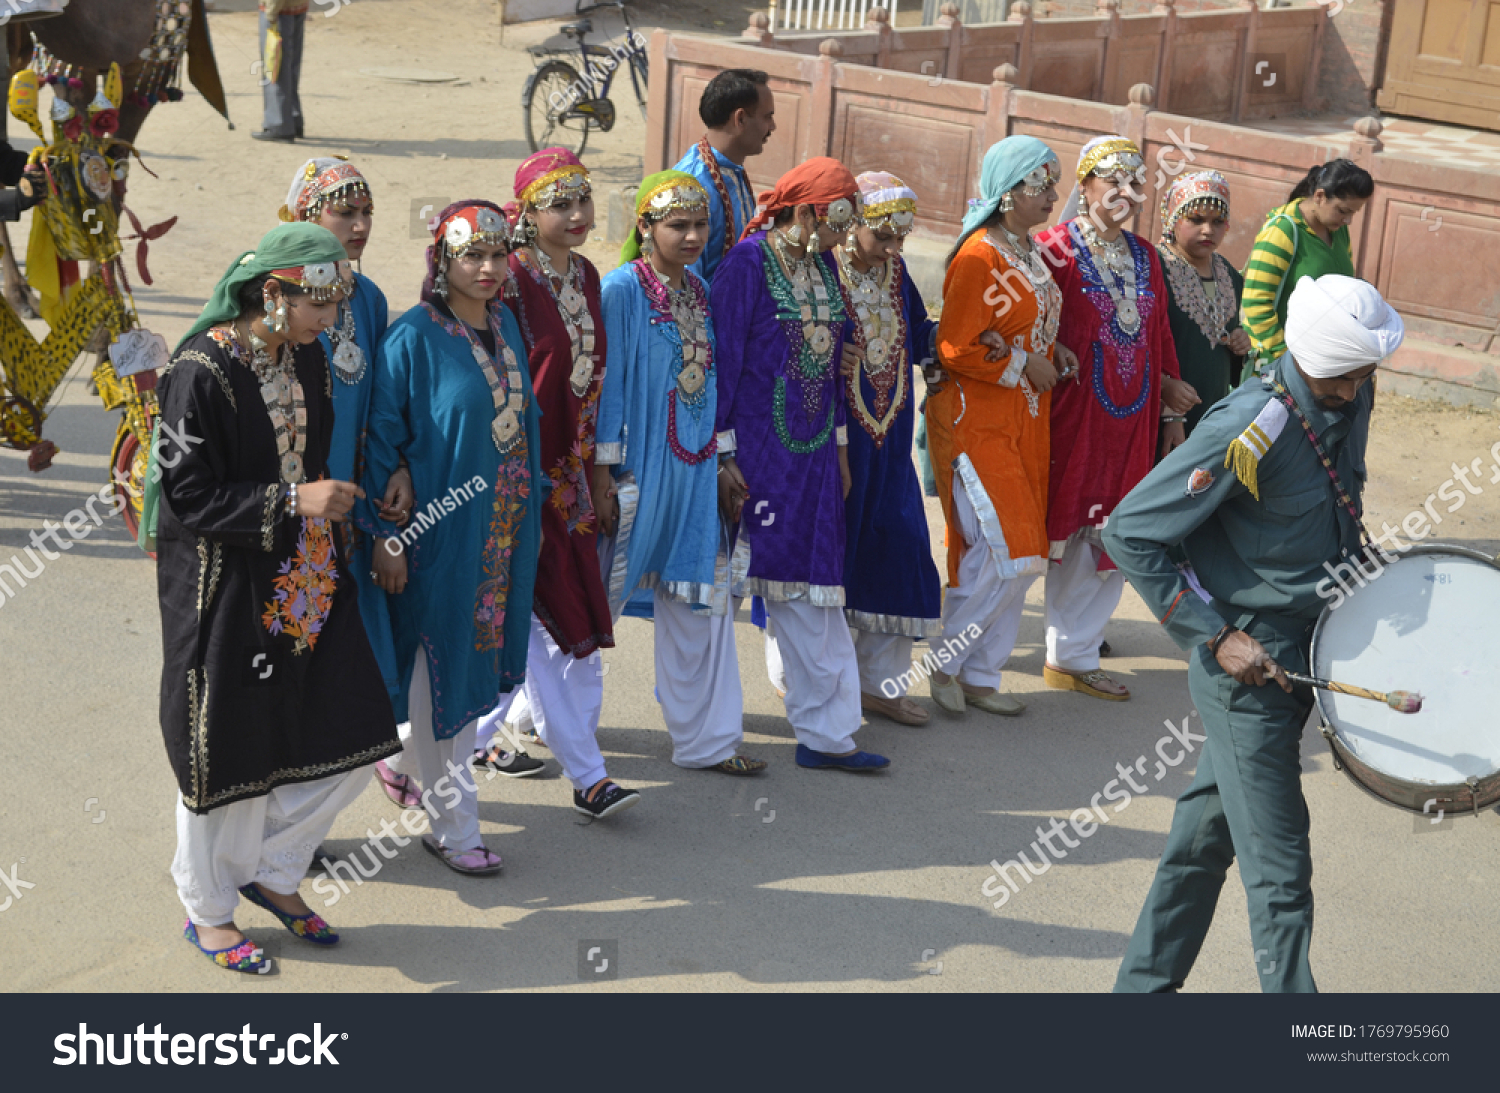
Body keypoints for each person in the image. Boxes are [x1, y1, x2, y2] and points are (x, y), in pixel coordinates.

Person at [1105, 274, 1404, 992]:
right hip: (1249, 667)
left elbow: (1338, 495)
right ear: (1318, 363)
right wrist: (1212, 635)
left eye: (1369, 370)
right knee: (1280, 869)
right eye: (1352, 373)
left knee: (1202, 843)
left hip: (1312, 646)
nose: (1364, 383)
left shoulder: (1351, 394)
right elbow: (1129, 531)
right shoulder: (1246, 425)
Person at [156, 222, 400, 974]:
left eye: (333, 305)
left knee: (353, 732)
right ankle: (209, 910)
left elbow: (315, 452)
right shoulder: (198, 373)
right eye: (318, 305)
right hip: (222, 584)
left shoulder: (310, 358)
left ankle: (274, 868)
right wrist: (296, 500)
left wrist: (324, 515)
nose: (329, 320)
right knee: (227, 750)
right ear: (273, 293)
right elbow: (187, 493)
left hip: (306, 572)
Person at [359, 202, 544, 875]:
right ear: (443, 258)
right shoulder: (410, 338)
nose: (489, 268)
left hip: (501, 537)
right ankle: (454, 827)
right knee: (443, 683)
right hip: (440, 537)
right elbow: (382, 440)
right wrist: (389, 536)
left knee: (462, 675)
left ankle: (402, 759)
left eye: (499, 254)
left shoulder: (506, 328)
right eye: (473, 255)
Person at [714, 156, 889, 773]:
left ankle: (828, 735)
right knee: (709, 595)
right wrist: (723, 455)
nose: (848, 236)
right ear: (815, 212)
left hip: (812, 454)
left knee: (816, 589)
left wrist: (841, 449)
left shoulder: (821, 267)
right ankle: (533, 715)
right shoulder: (747, 264)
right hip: (756, 453)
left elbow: (837, 364)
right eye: (842, 219)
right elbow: (724, 365)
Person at [594, 171, 766, 775]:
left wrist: (722, 459)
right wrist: (606, 475)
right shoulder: (620, 291)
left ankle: (708, 742)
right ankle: (534, 720)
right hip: (639, 472)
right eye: (678, 225)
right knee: (592, 603)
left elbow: (712, 382)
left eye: (700, 225)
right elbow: (607, 389)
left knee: (700, 603)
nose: (693, 236)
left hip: (694, 471)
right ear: (645, 228)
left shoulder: (698, 288)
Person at [497, 147, 640, 818]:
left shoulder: (585, 275)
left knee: (570, 614)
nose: (579, 214)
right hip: (513, 476)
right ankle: (587, 772)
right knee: (519, 621)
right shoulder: (506, 281)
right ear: (526, 213)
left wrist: (601, 470)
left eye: (583, 200)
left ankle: (587, 771)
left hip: (572, 478)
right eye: (561, 203)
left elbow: (598, 381)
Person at [1035, 134, 1197, 701]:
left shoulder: (1147, 256)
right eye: (1113, 181)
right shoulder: (1054, 248)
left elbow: (1158, 335)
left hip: (1132, 419)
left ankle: (1073, 655)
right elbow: (1028, 325)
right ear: (1085, 187)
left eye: (1136, 181)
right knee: (1050, 530)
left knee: (1111, 536)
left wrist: (1171, 409)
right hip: (1069, 416)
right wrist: (1050, 350)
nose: (1125, 192)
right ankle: (982, 660)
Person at [925, 137, 1077, 717]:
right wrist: (1022, 363)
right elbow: (955, 345)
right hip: (975, 419)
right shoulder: (978, 258)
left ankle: (981, 674)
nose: (1050, 196)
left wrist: (1051, 349)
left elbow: (1017, 323)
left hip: (1025, 420)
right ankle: (944, 660)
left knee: (1023, 552)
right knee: (1004, 549)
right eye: (1039, 185)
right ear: (1007, 191)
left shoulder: (1029, 252)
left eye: (1051, 185)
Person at [278, 157, 406, 717]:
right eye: (344, 212)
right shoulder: (276, 295)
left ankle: (381, 755)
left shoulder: (371, 300)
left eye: (366, 213)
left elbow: (381, 407)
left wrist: (394, 474)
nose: (359, 226)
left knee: (364, 645)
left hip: (351, 501)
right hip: (292, 500)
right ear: (307, 214)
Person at [834, 171, 942, 725]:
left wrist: (954, 346)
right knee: (831, 555)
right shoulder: (824, 272)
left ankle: (877, 685)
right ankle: (809, 682)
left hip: (891, 435)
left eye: (902, 238)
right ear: (852, 224)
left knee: (897, 546)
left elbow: (921, 332)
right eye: (884, 237)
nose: (895, 249)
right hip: (838, 441)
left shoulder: (896, 273)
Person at [1241, 158, 1372, 381]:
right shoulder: (1282, 231)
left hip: (1320, 366)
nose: (1348, 220)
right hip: (1279, 368)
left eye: (1354, 213)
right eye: (1342, 211)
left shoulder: (1338, 231)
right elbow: (1255, 303)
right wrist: (1287, 359)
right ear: (1320, 196)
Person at [671, 68, 775, 283]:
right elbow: (685, 280)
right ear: (741, 119)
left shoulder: (731, 171)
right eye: (767, 117)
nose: (772, 127)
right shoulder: (692, 183)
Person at [255, 1, 306, 142]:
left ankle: (279, 124)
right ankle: (293, 120)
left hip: (279, 11)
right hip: (298, 7)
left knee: (276, 69)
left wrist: (271, 12)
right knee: (290, 68)